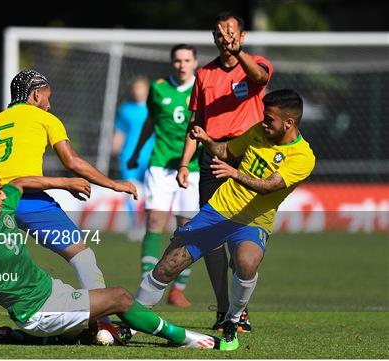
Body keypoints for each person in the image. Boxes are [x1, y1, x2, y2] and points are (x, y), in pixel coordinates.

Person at [0, 169, 221, 350]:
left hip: (52, 293)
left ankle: (26, 337)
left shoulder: (4, 207)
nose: (4, 196)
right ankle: (182, 337)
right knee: (119, 297)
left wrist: (66, 182)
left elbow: (23, 181)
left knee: (93, 330)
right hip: (38, 312)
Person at [0, 70, 138, 338]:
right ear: (36, 95)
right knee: (82, 255)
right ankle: (103, 325)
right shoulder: (45, 118)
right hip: (29, 201)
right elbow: (72, 162)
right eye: (48, 97)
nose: (49, 104)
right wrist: (114, 184)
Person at [137, 89, 315, 350]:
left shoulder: (303, 157)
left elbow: (268, 186)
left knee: (246, 262)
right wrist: (207, 139)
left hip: (254, 220)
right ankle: (132, 320)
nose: (264, 123)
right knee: (168, 266)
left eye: (270, 119)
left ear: (289, 123)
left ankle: (232, 320)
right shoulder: (258, 131)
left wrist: (235, 173)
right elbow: (226, 150)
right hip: (218, 211)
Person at [176, 11, 273, 331]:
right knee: (211, 238)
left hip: (247, 158)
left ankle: (238, 309)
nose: (225, 38)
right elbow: (196, 122)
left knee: (239, 236)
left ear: (242, 37)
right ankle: (222, 308)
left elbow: (259, 79)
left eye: (231, 32)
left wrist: (238, 54)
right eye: (219, 33)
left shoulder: (256, 63)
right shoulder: (204, 74)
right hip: (212, 159)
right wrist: (184, 162)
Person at [127, 44, 201, 308]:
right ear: (172, 63)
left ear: (194, 63)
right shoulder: (158, 88)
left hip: (191, 168)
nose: (182, 64)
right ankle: (147, 284)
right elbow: (150, 122)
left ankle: (178, 289)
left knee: (188, 229)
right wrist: (137, 152)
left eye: (187, 60)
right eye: (178, 60)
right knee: (155, 222)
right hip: (159, 165)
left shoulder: (201, 89)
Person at [112, 76, 153, 182]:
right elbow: (120, 132)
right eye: (135, 88)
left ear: (147, 89)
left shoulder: (155, 108)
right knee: (130, 189)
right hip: (129, 155)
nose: (137, 91)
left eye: (140, 87)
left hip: (150, 156)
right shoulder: (125, 109)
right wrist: (114, 148)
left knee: (149, 191)